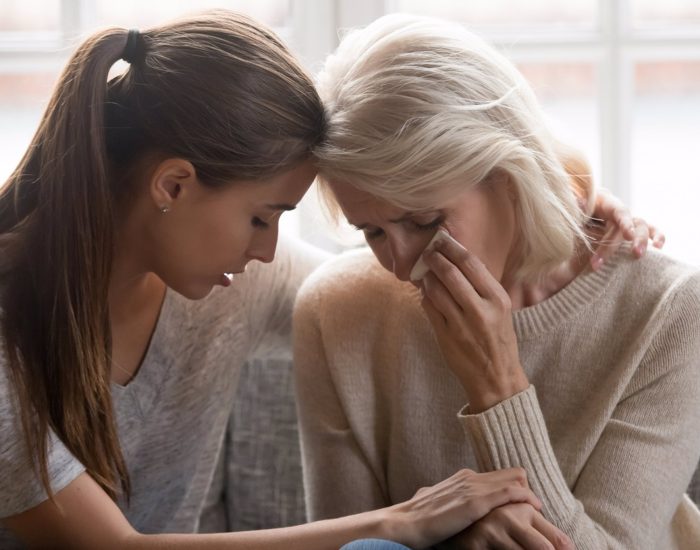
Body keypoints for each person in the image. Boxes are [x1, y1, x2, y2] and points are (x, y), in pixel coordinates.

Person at [0, 9, 660, 550]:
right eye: (261, 217)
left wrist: (562, 200)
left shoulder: (228, 279)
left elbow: (369, 298)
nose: (269, 251)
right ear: (172, 184)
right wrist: (396, 521)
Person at [293, 13, 700, 550]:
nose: (402, 264)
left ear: (508, 173)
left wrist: (498, 388)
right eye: (371, 231)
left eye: (425, 222)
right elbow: (358, 548)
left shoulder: (670, 312)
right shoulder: (334, 311)